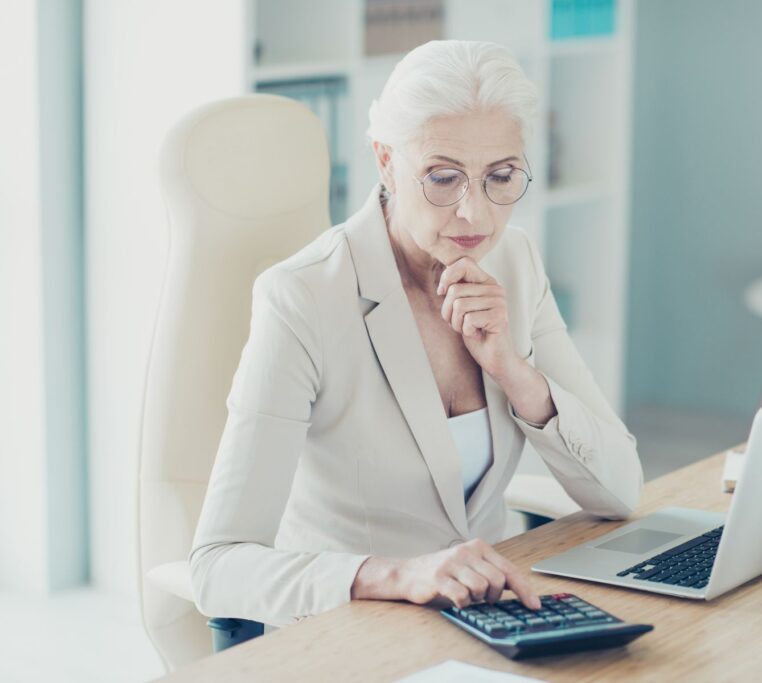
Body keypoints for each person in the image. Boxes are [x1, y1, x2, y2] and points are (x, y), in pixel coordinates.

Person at [190, 40, 642, 629]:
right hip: (351, 632)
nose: (475, 214)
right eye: (443, 178)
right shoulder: (303, 297)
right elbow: (217, 567)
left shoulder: (516, 262)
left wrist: (512, 369)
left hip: (489, 622)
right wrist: (399, 575)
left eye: (501, 176)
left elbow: (621, 491)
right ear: (385, 161)